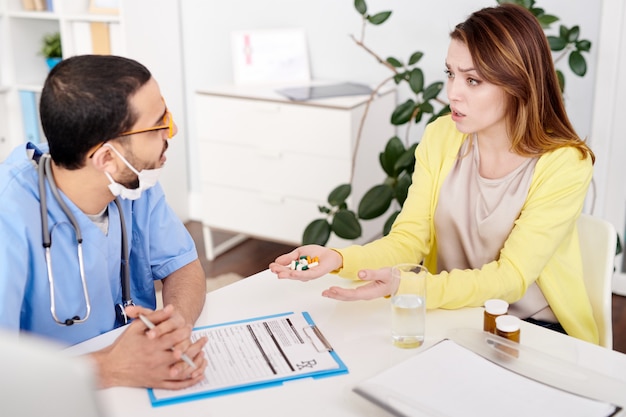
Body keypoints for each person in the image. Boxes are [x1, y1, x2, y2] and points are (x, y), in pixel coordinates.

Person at [270, 3, 599, 344]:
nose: (453, 93)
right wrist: (338, 258)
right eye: (451, 74)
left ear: (518, 85)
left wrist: (409, 285)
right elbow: (408, 240)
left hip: (532, 329)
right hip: (456, 315)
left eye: (473, 80)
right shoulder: (443, 136)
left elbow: (511, 277)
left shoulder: (564, 163)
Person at [0, 55, 209, 388]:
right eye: (159, 126)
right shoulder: (8, 217)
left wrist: (176, 322)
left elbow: (182, 265)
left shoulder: (133, 181)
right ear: (107, 158)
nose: (173, 131)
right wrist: (109, 368)